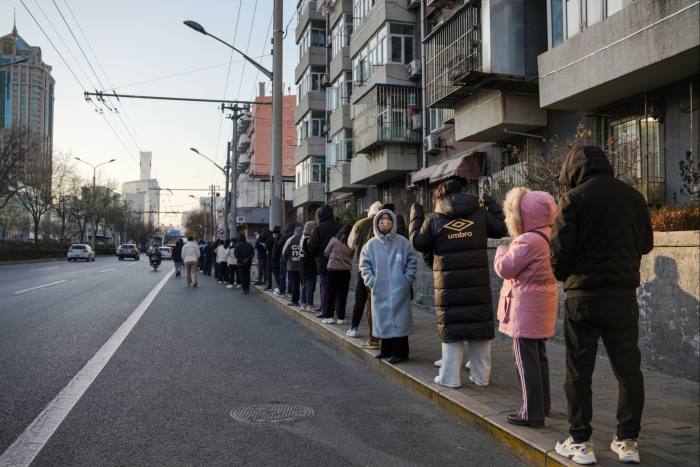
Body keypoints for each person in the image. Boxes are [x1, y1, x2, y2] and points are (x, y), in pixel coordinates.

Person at [550, 146, 653, 465]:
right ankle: (627, 441)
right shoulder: (633, 196)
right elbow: (646, 244)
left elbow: (559, 252)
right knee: (629, 370)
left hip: (583, 298)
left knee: (579, 372)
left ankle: (580, 444)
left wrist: (566, 275)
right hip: (622, 297)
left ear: (574, 169)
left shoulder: (574, 198)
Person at [409, 178, 508, 388]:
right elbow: (502, 228)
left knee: (452, 331)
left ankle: (450, 378)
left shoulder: (434, 219)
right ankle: (481, 377)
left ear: (440, 196)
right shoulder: (480, 214)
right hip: (477, 284)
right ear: (464, 192)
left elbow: (418, 243)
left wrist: (416, 216)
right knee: (479, 329)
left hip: (448, 286)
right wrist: (491, 203)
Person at [493, 187, 558, 429]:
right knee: (539, 358)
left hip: (525, 310)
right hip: (542, 305)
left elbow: (505, 269)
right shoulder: (550, 235)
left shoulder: (527, 240)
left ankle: (531, 412)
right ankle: (543, 405)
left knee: (525, 360)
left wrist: (501, 250)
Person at [359, 209, 417, 364]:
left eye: (388, 221)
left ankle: (401, 353)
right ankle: (385, 350)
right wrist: (372, 282)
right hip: (380, 290)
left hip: (400, 290)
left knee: (399, 322)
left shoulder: (402, 242)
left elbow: (412, 260)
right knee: (383, 321)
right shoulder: (370, 245)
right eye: (382, 221)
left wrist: (407, 279)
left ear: (392, 223)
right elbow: (364, 266)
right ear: (377, 223)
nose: (385, 223)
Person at [346, 201, 383, 344]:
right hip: (382, 268)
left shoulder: (360, 224)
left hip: (364, 267)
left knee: (361, 299)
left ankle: (354, 328)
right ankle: (380, 334)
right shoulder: (387, 223)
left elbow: (351, 244)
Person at [309, 206, 341, 318]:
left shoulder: (318, 228)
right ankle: (338, 311)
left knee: (326, 287)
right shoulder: (340, 226)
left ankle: (326, 311)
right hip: (340, 263)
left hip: (324, 263)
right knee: (338, 288)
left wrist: (318, 255)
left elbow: (312, 246)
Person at [323, 224, 354, 324]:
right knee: (342, 295)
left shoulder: (334, 240)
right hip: (345, 272)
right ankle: (341, 318)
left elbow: (326, 252)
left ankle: (329, 317)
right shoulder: (352, 243)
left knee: (330, 294)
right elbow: (352, 256)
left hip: (333, 270)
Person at [282, 226, 303, 306]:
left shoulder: (291, 239)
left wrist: (287, 261)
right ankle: (305, 302)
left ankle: (295, 300)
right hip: (302, 266)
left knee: (295, 284)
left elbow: (284, 253)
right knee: (304, 284)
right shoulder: (304, 239)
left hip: (292, 266)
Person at [300, 221, 317, 312]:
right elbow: (312, 251)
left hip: (303, 264)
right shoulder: (309, 238)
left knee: (304, 285)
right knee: (310, 285)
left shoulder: (302, 238)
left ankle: (303, 304)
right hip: (309, 264)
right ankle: (309, 305)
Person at [274, 224, 295, 297]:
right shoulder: (296, 236)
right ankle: (290, 292)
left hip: (283, 258)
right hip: (292, 259)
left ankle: (282, 291)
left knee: (282, 275)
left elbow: (278, 245)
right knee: (291, 276)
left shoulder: (285, 236)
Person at [270, 226, 282, 291]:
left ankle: (280, 287)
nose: (273, 235)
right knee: (280, 275)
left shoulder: (277, 240)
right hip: (280, 261)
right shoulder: (281, 239)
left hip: (276, 261)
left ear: (275, 234)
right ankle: (280, 287)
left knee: (277, 275)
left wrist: (272, 260)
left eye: (273, 233)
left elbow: (275, 252)